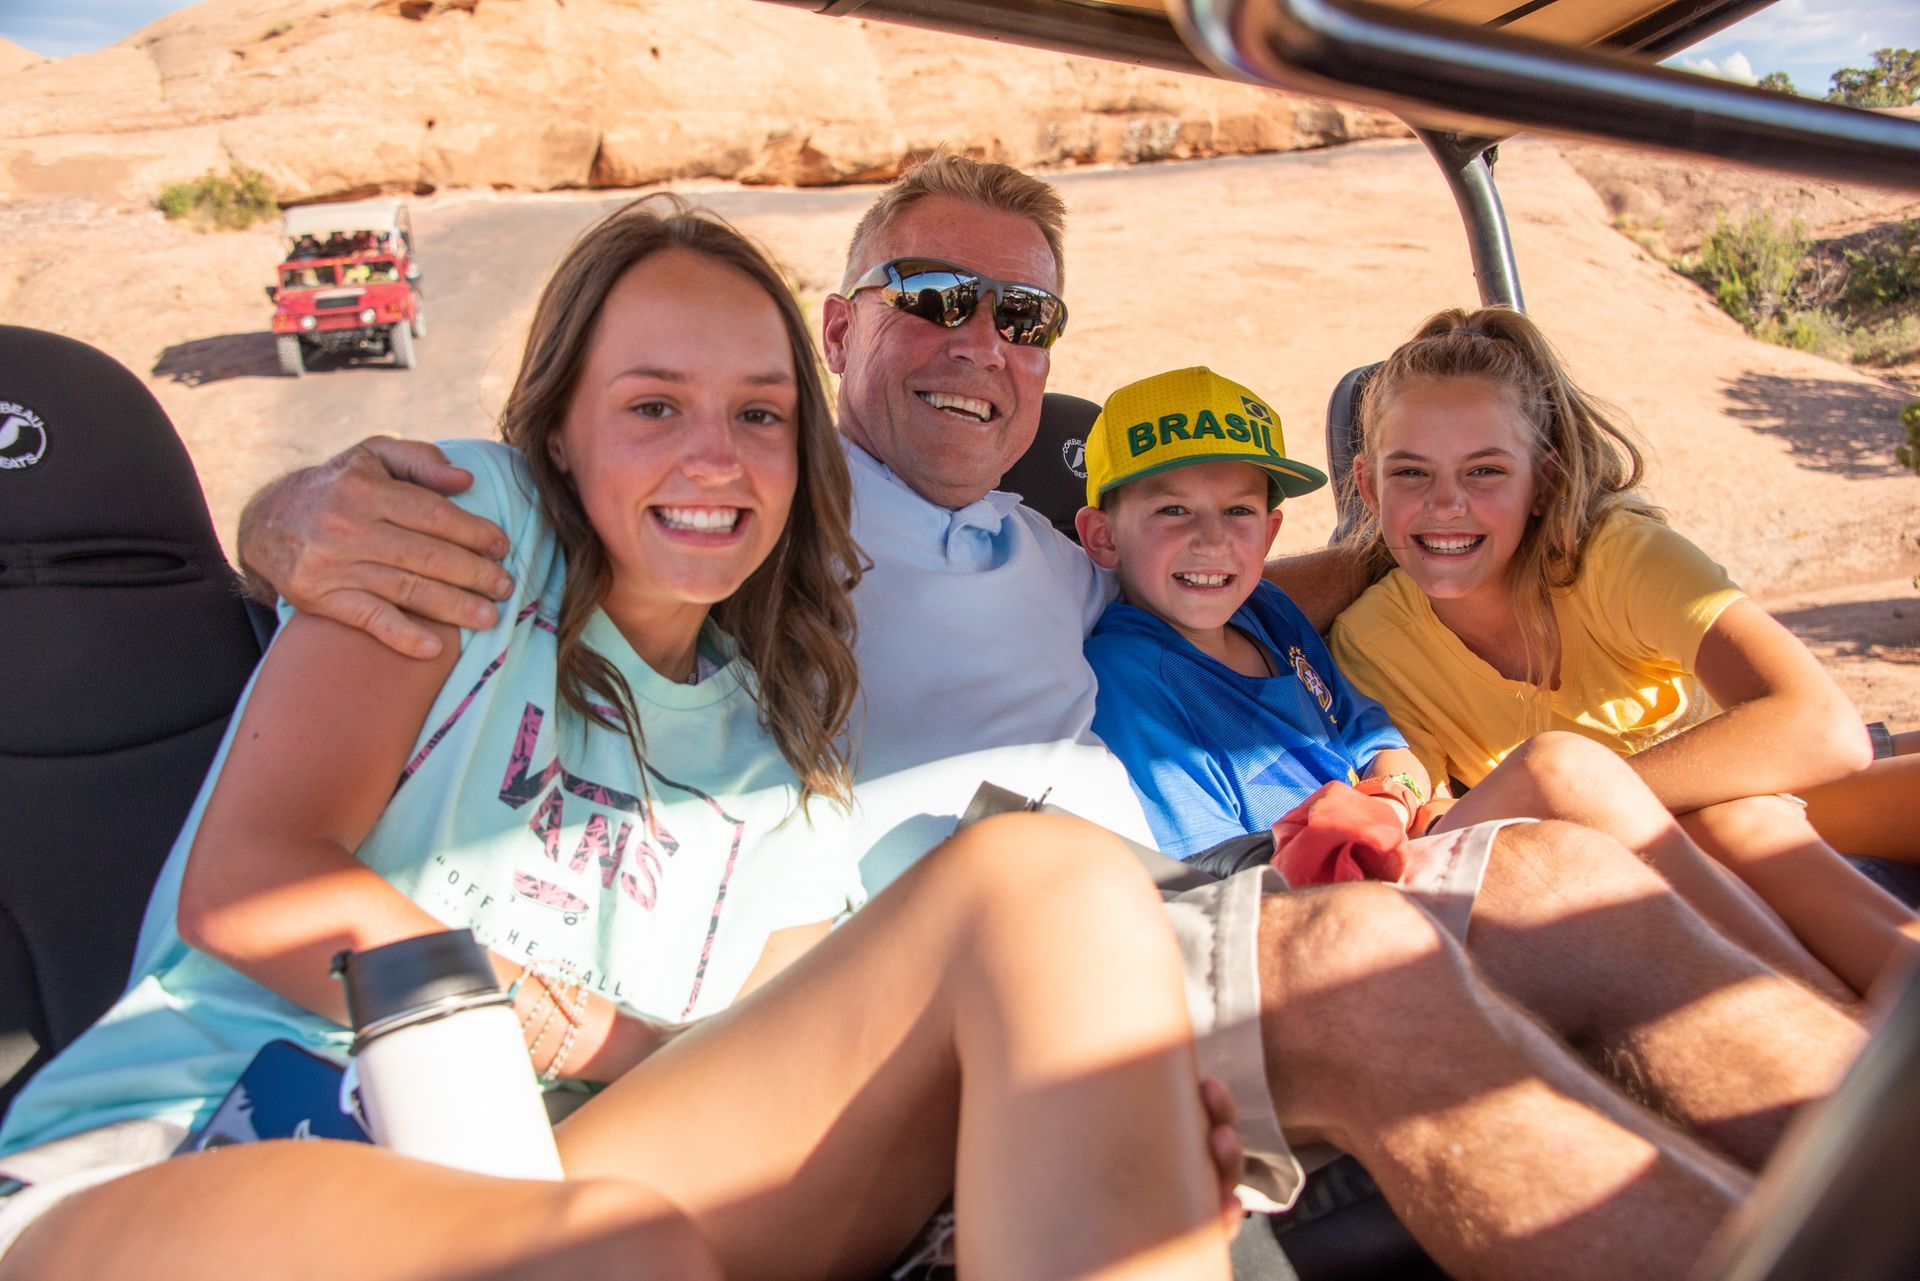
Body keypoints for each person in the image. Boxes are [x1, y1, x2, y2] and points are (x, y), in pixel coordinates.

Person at [228, 155, 1865, 1280]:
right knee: (1365, 963)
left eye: (1026, 320)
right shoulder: (741, 504)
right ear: (843, 325)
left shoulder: (1054, 548)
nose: (984, 347)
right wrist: (297, 513)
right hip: (913, 983)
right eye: (937, 298)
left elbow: (1239, 563)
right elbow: (518, 498)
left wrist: (1445, 531)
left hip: (1155, 891)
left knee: (1566, 866)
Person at [0, 198, 1242, 1281]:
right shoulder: (467, 538)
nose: (715, 456)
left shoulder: (781, 754)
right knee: (607, 1255)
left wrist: (1088, 1127)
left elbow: (761, 1067)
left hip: (551, 1180)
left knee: (1053, 883)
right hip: (193, 1151)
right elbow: (252, 881)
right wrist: (565, 1032)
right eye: (654, 405)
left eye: (759, 417)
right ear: (559, 432)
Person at [1077, 365, 1846, 997]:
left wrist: (1399, 791)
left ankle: (1815, 997)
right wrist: (1380, 820)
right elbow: (1225, 880)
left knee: (1739, 818)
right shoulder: (1131, 673)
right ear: (1102, 536)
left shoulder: (1271, 616)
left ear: (1272, 533)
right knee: (1559, 767)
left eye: (1238, 512)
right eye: (1172, 509)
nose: (1211, 540)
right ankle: (1794, 997)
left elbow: (1378, 738)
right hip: (1336, 902)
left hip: (1403, 841)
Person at [1329, 305, 1920, 997]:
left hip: (1762, 796)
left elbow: (1820, 726)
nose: (1447, 503)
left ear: (1543, 483)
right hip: (1629, 855)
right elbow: (1432, 826)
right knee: (1738, 823)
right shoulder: (1374, 642)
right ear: (1368, 486)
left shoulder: (1615, 557)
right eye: (1412, 474)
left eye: (1485, 471)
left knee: (1748, 814)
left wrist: (1609, 795)